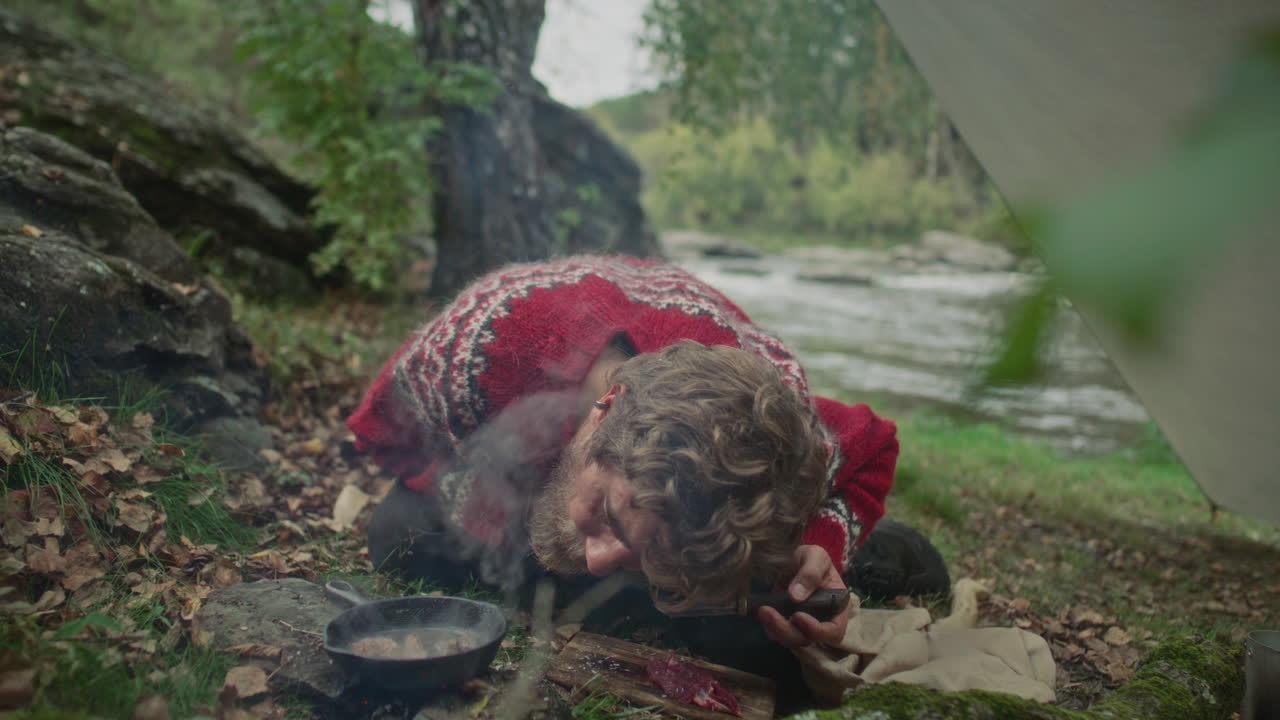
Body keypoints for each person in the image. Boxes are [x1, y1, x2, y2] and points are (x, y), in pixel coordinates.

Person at [348, 255, 947, 694]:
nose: (599, 559)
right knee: (400, 535)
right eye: (608, 514)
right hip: (527, 452)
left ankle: (831, 556)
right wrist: (500, 500)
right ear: (604, 411)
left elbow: (875, 445)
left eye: (636, 548)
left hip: (685, 505)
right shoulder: (491, 342)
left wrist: (819, 541)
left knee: (768, 629)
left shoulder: (778, 417)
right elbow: (381, 432)